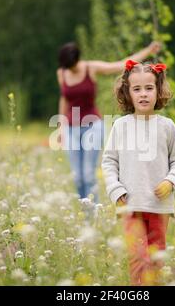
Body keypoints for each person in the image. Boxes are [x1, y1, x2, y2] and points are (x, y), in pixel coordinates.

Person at [101, 59, 175, 285]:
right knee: (137, 257)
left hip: (159, 205)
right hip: (130, 203)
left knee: (156, 255)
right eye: (136, 89)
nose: (143, 94)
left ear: (158, 91)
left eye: (149, 88)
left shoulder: (167, 126)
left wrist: (170, 180)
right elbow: (109, 161)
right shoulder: (121, 126)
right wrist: (115, 189)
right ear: (127, 93)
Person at [56, 41, 161, 213]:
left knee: (89, 175)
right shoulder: (62, 72)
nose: (71, 70)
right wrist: (60, 127)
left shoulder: (91, 68)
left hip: (92, 126)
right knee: (78, 178)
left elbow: (121, 65)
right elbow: (64, 99)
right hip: (71, 128)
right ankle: (85, 214)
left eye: (73, 66)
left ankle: (93, 216)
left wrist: (147, 51)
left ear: (78, 59)